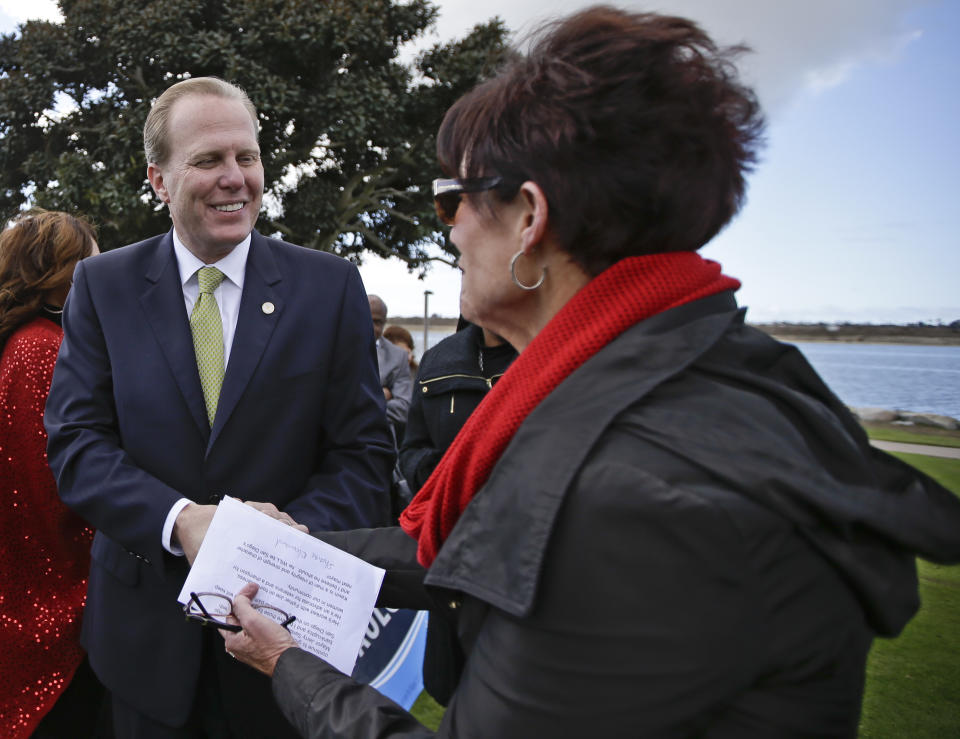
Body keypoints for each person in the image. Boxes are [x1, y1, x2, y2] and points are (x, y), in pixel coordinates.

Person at [221, 8, 960, 738]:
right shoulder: (688, 367)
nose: (448, 229)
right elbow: (466, 550)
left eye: (454, 199)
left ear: (529, 219)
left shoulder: (624, 493)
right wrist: (293, 547)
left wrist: (290, 663)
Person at [44, 77, 395, 738]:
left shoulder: (329, 287)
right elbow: (77, 444)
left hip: (283, 647)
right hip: (142, 647)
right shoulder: (102, 286)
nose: (236, 178)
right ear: (159, 178)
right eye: (208, 160)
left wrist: (281, 537)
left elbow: (364, 456)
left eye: (248, 157)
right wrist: (181, 520)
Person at [0, 210, 106, 738]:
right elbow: (61, 489)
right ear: (59, 273)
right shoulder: (43, 349)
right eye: (91, 263)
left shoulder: (26, 341)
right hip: (53, 604)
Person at [398, 318, 516, 705]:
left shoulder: (546, 351)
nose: (464, 269)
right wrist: (444, 479)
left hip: (517, 569)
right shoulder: (438, 360)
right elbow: (412, 448)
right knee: (454, 693)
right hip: (449, 562)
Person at [369, 295, 413, 436]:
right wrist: (381, 396)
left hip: (380, 442)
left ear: (384, 323)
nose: (371, 327)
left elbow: (403, 409)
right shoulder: (336, 349)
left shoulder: (398, 357)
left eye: (377, 322)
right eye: (367, 319)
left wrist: (361, 406)